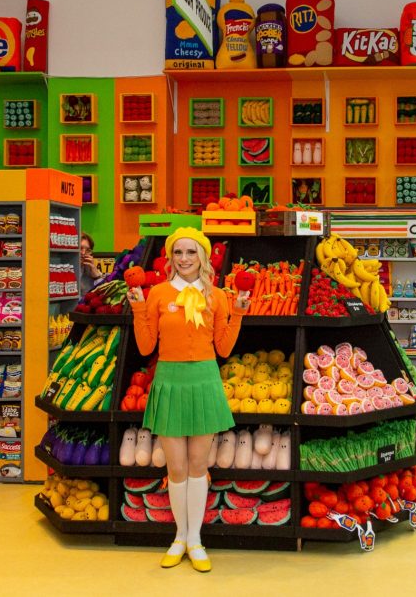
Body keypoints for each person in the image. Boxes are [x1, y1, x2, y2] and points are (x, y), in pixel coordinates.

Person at [127, 227, 250, 573]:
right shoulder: (157, 294)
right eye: (178, 252)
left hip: (205, 381)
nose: (184, 259)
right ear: (170, 257)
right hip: (169, 381)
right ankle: (179, 537)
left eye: (191, 252)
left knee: (198, 466)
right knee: (176, 468)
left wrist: (239, 313)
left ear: (203, 257)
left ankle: (195, 540)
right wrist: (138, 309)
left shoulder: (218, 297)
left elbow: (223, 348)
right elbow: (145, 347)